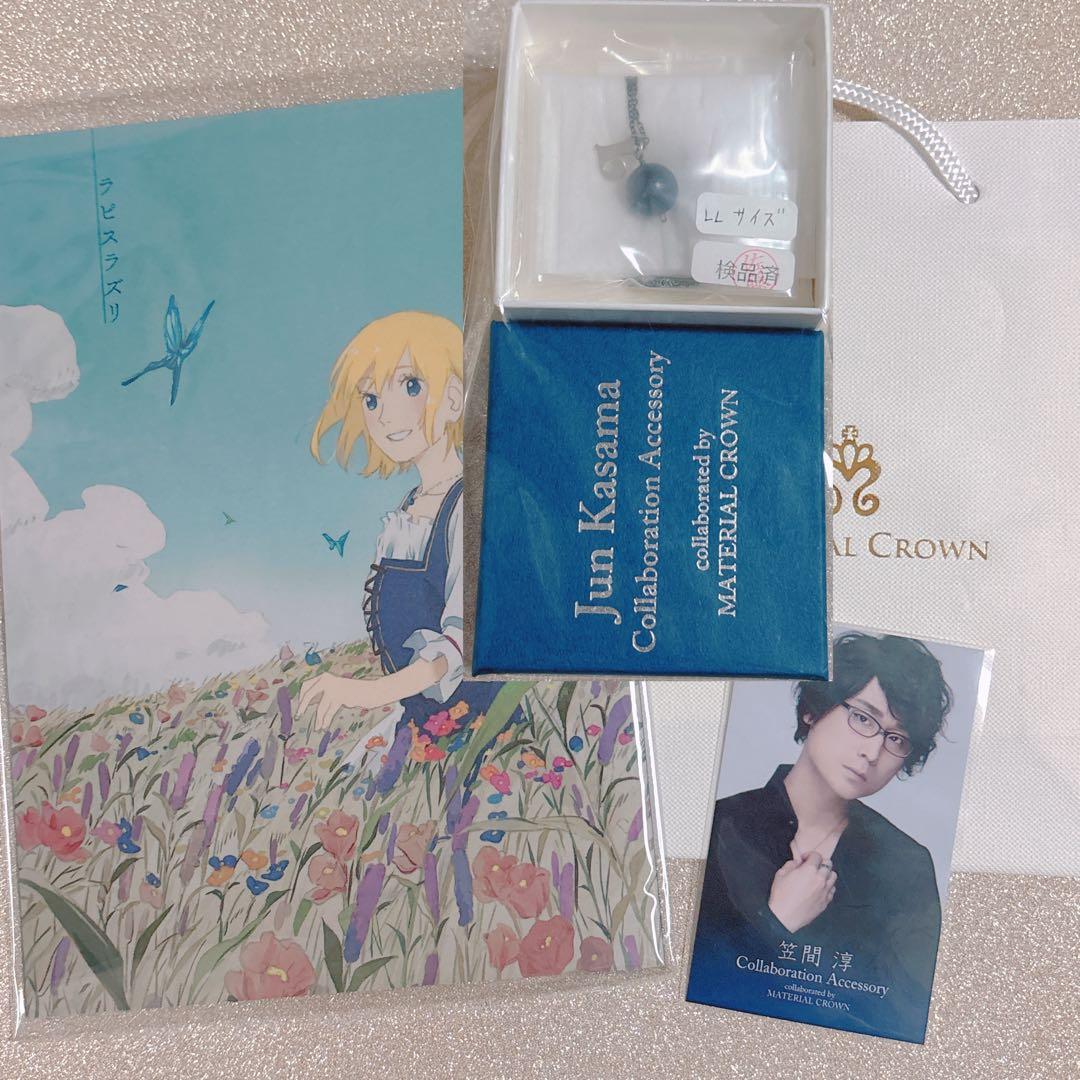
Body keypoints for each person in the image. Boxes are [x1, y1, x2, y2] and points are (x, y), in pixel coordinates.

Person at [687, 632, 952, 1043]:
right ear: (814, 709)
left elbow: (904, 1015)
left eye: (896, 739)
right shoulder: (720, 823)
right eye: (863, 718)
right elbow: (692, 990)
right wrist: (775, 922)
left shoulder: (907, 864)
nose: (873, 753)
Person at [295, 311, 515, 793]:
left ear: (454, 397)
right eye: (371, 398)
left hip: (473, 728)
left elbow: (458, 649)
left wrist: (365, 693)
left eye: (411, 386)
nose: (385, 415)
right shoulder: (408, 510)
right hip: (418, 720)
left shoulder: (471, 507)